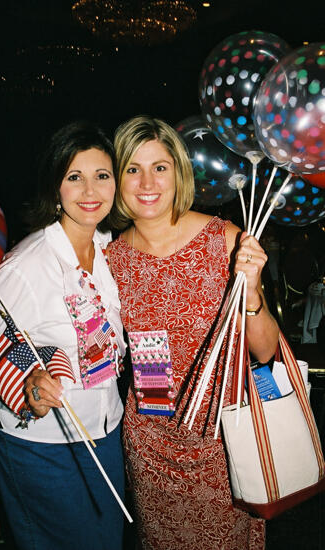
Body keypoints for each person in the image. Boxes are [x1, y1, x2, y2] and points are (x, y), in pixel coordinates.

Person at [108, 115, 279, 550]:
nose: (147, 181)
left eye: (159, 167)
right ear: (118, 179)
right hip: (149, 444)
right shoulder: (109, 260)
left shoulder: (225, 240)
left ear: (178, 174)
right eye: (133, 168)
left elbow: (265, 351)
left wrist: (253, 289)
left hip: (224, 442)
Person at [0, 120, 127, 550]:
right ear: (55, 185)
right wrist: (27, 387)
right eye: (74, 177)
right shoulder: (25, 266)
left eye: (102, 175)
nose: (90, 190)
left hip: (107, 432)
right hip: (41, 447)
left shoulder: (114, 250)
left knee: (106, 542)